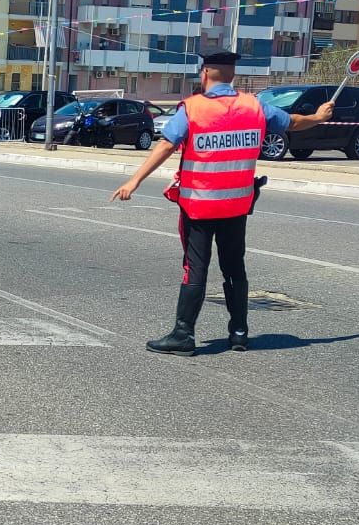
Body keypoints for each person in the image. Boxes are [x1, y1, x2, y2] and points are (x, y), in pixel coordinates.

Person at [110, 51, 335, 355]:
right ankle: (239, 333)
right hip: (236, 206)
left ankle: (183, 334)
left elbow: (166, 145)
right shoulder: (253, 106)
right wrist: (318, 117)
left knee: (195, 268)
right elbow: (292, 123)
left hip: (199, 206)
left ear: (204, 75)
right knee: (234, 267)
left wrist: (133, 181)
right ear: (232, 76)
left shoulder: (194, 109)